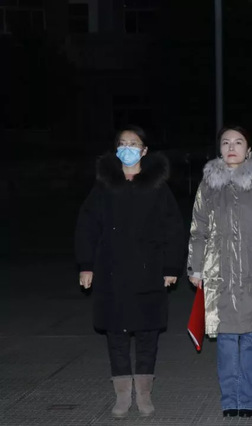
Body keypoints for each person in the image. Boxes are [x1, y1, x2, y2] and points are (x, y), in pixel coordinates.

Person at [75, 125, 185, 418]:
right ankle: (122, 395)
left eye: (134, 144)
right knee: (116, 334)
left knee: (148, 334)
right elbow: (87, 225)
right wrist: (86, 265)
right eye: (122, 143)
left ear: (144, 151)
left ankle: (144, 394)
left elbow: (173, 228)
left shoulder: (157, 187)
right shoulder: (104, 186)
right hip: (111, 271)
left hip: (149, 270)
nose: (128, 148)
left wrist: (171, 266)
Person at [187, 126, 252, 418]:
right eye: (226, 142)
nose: (232, 147)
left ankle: (248, 400)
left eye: (238, 142)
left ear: (248, 148)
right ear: (219, 148)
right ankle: (230, 400)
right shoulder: (209, 184)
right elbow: (198, 229)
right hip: (220, 273)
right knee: (227, 339)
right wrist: (196, 267)